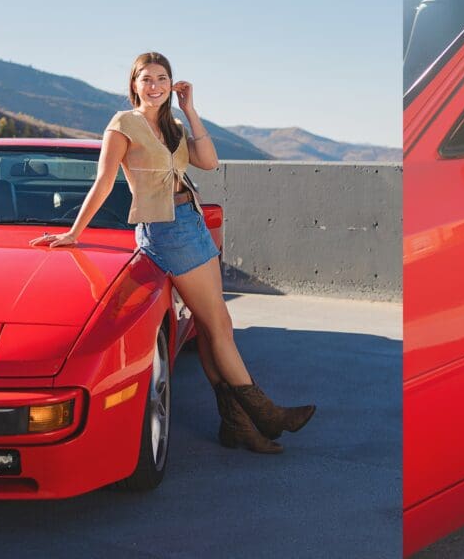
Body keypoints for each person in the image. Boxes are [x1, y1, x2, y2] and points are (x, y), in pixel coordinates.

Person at [30, 52, 314, 453]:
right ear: (133, 84)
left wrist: (191, 111)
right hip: (166, 230)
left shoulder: (173, 124)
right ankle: (266, 414)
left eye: (162, 78)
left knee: (217, 325)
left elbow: (209, 163)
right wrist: (74, 232)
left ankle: (237, 426)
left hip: (191, 223)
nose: (155, 86)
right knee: (217, 325)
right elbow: (105, 182)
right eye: (146, 79)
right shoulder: (123, 125)